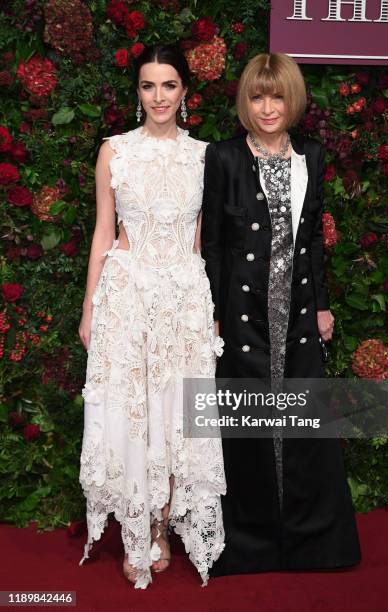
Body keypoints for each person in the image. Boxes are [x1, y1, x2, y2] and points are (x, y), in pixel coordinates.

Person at [201, 53, 361, 576]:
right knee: (246, 423)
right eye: (257, 96)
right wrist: (217, 314)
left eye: (277, 97)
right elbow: (216, 246)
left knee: (304, 426)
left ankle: (312, 542)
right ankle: (249, 543)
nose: (268, 108)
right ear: (245, 102)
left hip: (295, 311)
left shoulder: (311, 156)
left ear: (293, 101)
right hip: (244, 311)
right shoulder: (224, 157)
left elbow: (312, 237)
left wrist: (322, 305)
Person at [78, 44, 226, 590]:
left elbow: (201, 239)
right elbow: (103, 232)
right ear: (137, 92)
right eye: (148, 86)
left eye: (168, 85)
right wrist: (89, 304)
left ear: (185, 90)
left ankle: (161, 528)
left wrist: (207, 312)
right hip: (125, 297)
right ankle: (133, 531)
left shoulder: (205, 155)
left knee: (175, 415)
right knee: (129, 413)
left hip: (184, 297)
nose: (158, 96)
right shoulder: (114, 152)